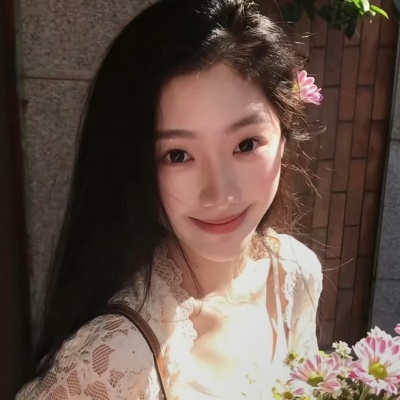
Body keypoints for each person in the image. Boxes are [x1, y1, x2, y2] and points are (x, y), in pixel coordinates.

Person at [17, 0, 324, 398]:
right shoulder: (114, 359)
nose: (221, 193)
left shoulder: (293, 273)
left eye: (246, 144)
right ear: (134, 168)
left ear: (284, 134)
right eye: (177, 155)